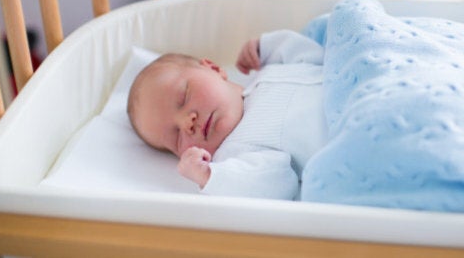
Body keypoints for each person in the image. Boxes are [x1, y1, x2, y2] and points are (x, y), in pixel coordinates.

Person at [127, 29, 328, 200]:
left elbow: (315, 57)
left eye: (184, 97)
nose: (187, 122)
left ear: (213, 68)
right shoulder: (236, 153)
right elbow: (280, 181)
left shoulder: (270, 70)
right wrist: (210, 176)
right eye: (176, 137)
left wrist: (265, 47)